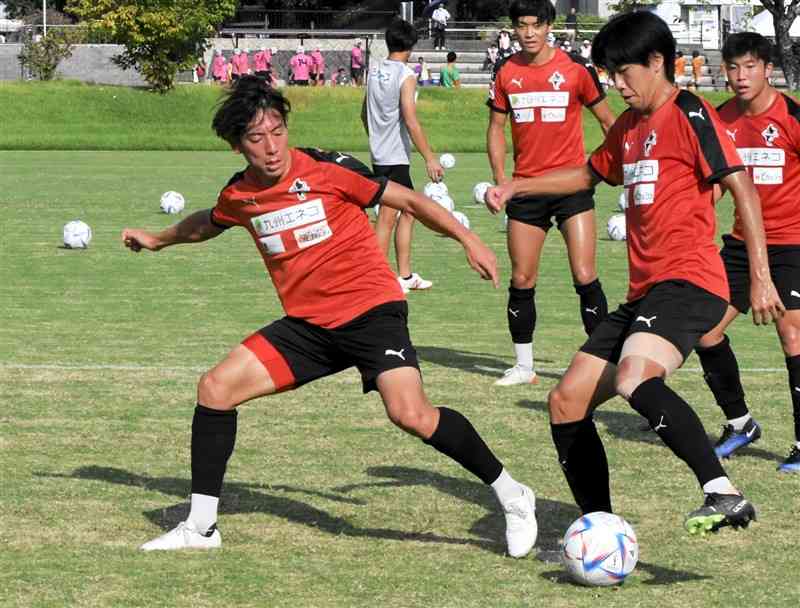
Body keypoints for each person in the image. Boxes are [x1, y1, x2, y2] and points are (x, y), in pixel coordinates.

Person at [124, 76, 538, 557]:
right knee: (215, 389)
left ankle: (513, 495)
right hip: (310, 327)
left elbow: (407, 200)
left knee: (409, 413)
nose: (272, 147)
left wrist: (469, 241)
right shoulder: (241, 195)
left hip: (371, 311)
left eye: (278, 131)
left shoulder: (326, 168)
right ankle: (201, 527)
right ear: (236, 145)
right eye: (257, 139)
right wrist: (158, 238)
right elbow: (209, 222)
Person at [486, 10, 783, 535]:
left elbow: (741, 187)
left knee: (633, 377)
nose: (616, 85)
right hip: (645, 292)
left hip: (690, 281)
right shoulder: (629, 126)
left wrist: (760, 275)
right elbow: (587, 173)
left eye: (624, 73)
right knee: (566, 399)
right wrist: (517, 186)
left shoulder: (690, 113)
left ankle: (724, 492)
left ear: (656, 61)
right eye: (609, 75)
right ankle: (598, 524)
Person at [486, 0, 616, 386]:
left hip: (571, 187)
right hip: (525, 189)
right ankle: (524, 366)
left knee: (585, 274)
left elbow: (609, 121)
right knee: (523, 278)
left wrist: (613, 166)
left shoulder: (576, 69)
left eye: (536, 25)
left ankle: (602, 366)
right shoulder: (506, 71)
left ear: (549, 26)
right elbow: (495, 127)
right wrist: (499, 180)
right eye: (522, 25)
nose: (528, 33)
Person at [694, 32, 800, 472]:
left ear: (768, 69)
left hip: (794, 243)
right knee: (703, 331)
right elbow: (715, 183)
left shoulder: (793, 118)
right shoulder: (721, 119)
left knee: (792, 334)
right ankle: (741, 423)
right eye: (733, 67)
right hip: (740, 245)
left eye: (750, 67)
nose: (740, 76)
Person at [362, 18, 442, 293]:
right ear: (411, 45)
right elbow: (411, 119)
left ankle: (405, 276)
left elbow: (364, 114)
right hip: (395, 156)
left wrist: (376, 138)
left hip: (380, 154)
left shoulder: (373, 71)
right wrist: (430, 157)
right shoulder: (406, 75)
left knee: (408, 212)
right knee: (388, 216)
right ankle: (376, 280)